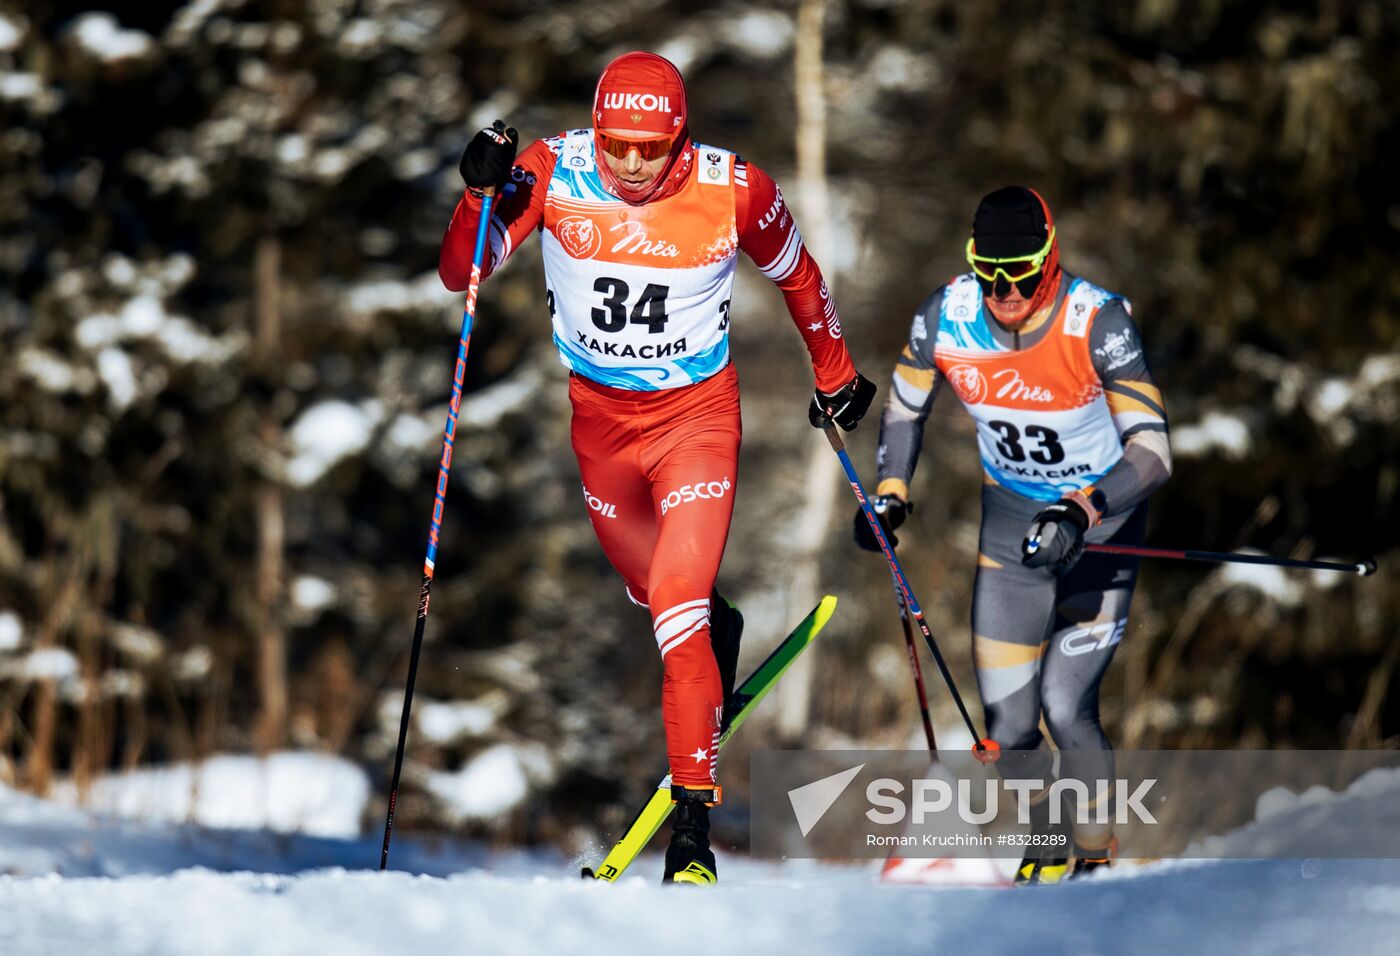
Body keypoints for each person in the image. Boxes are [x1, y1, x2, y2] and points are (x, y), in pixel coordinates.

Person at [439, 52, 875, 885]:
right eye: (618, 146)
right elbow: (463, 272)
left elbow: (800, 277)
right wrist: (477, 195)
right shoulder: (554, 170)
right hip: (600, 429)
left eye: (653, 148)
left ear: (681, 138)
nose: (633, 165)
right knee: (654, 594)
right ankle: (718, 631)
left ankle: (691, 830)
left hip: (695, 423)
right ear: (597, 132)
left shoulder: (732, 187)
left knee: (673, 611)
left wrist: (837, 375)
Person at [855, 186, 1171, 884]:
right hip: (1010, 530)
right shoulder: (947, 316)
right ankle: (1046, 844)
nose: (1004, 290)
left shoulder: (1098, 320)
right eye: (989, 272)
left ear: (1050, 258)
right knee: (1010, 720)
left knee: (1066, 703)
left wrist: (1082, 512)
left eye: (1021, 272)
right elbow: (906, 407)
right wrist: (891, 493)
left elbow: (1152, 451)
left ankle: (1094, 863)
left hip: (1102, 529)